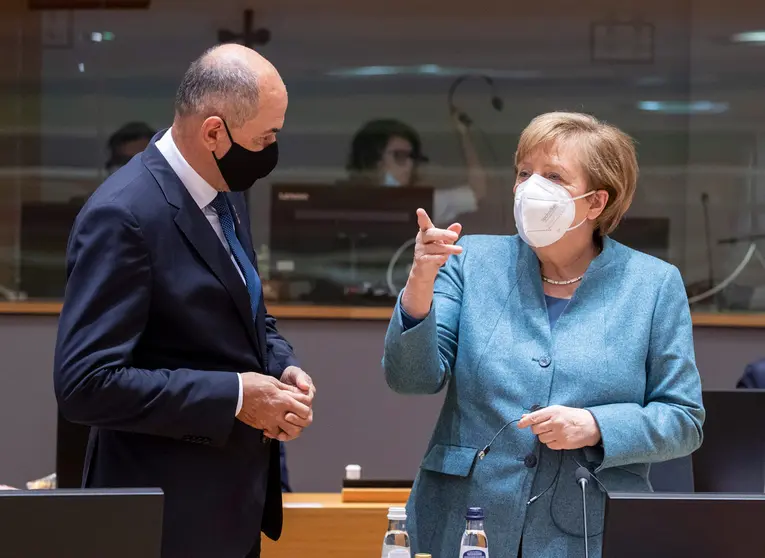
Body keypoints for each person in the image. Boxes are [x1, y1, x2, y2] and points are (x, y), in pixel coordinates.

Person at [382, 111, 705, 558]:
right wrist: (420, 282)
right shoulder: (471, 260)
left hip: (584, 530)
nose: (531, 187)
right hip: (465, 520)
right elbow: (410, 378)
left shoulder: (652, 284)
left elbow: (683, 420)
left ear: (596, 203)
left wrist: (595, 426)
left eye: (553, 176)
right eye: (524, 173)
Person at [54, 44, 316, 558]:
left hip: (231, 508)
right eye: (265, 137)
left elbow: (246, 313)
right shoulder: (123, 215)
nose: (271, 150)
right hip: (160, 519)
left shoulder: (225, 190)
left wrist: (281, 367)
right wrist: (238, 397)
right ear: (214, 132)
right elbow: (85, 384)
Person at [345, 117, 488, 225]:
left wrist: (464, 133)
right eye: (399, 156)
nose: (409, 165)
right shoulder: (341, 202)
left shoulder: (421, 206)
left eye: (412, 157)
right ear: (374, 159)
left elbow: (476, 192)